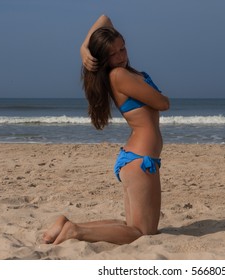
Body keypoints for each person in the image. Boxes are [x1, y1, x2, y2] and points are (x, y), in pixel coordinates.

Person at [42, 14, 170, 245]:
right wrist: (85, 50)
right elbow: (163, 103)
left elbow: (105, 18)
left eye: (122, 49)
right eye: (113, 54)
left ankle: (66, 223)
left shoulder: (122, 72)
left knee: (131, 227)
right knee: (143, 232)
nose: (121, 56)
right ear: (103, 59)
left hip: (135, 158)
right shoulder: (119, 75)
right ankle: (75, 231)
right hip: (141, 160)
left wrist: (83, 47)